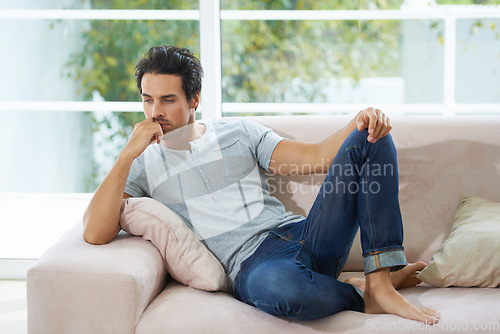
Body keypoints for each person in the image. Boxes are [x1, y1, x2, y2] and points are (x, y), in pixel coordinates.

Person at [83, 45, 440, 324]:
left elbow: (316, 156)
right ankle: (363, 294)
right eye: (147, 99)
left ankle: (379, 280)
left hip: (303, 234)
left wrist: (360, 119)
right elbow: (95, 232)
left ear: (194, 100)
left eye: (167, 99)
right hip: (254, 266)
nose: (154, 112)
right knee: (283, 291)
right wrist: (126, 155)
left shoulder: (238, 131)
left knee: (372, 137)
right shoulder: (142, 164)